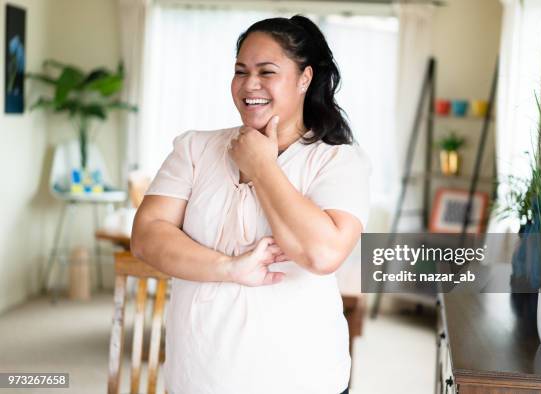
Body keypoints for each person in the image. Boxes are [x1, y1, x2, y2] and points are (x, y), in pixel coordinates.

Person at [131, 14, 370, 394]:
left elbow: (323, 254)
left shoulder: (338, 160)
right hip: (198, 376)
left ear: (304, 78)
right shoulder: (195, 147)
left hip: (302, 379)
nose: (249, 84)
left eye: (266, 71)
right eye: (240, 71)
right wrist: (231, 267)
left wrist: (262, 167)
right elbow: (146, 236)